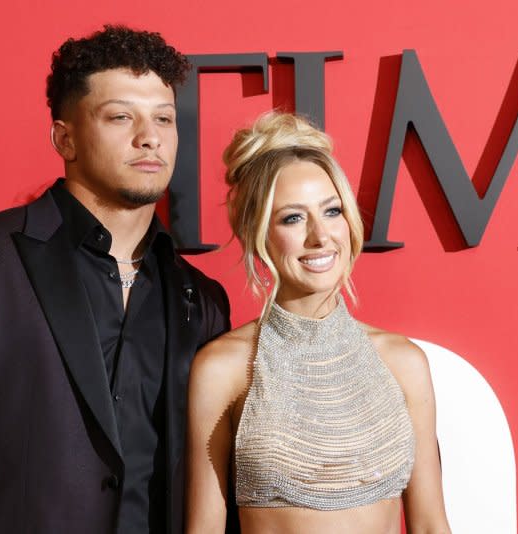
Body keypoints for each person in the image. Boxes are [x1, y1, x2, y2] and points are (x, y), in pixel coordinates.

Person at [0, 25, 230, 534]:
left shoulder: (202, 299)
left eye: (164, 118)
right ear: (65, 137)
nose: (150, 136)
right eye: (121, 116)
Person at [185, 112, 451, 533]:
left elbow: (431, 524)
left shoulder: (402, 361)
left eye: (332, 211)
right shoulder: (223, 367)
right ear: (258, 232)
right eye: (292, 218)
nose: (320, 236)